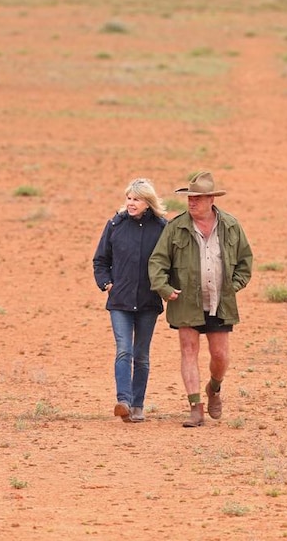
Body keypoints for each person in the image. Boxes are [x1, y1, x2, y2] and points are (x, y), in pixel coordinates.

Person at [148, 171, 253, 427]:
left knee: (220, 356)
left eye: (197, 198)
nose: (191, 202)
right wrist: (164, 288)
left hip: (220, 301)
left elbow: (245, 261)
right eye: (189, 198)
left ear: (210, 199)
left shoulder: (230, 225)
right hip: (186, 301)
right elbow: (157, 261)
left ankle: (214, 388)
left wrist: (234, 285)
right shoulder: (176, 228)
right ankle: (196, 407)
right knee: (188, 351)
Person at [93, 178, 168, 423]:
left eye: (136, 199)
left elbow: (170, 262)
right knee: (123, 350)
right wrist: (107, 284)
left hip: (148, 301)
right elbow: (101, 260)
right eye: (128, 198)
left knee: (141, 355)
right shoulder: (115, 224)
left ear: (148, 202)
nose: (131, 203)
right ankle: (123, 401)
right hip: (120, 301)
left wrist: (166, 288)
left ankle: (137, 405)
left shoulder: (161, 228)